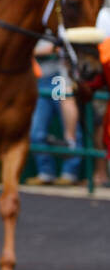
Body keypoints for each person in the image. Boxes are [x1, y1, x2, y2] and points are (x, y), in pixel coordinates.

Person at [25, 39, 83, 186]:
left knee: (70, 129)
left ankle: (70, 173)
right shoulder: (33, 24)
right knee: (36, 131)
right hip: (39, 79)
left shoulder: (59, 23)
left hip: (58, 79)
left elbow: (61, 48)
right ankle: (46, 173)